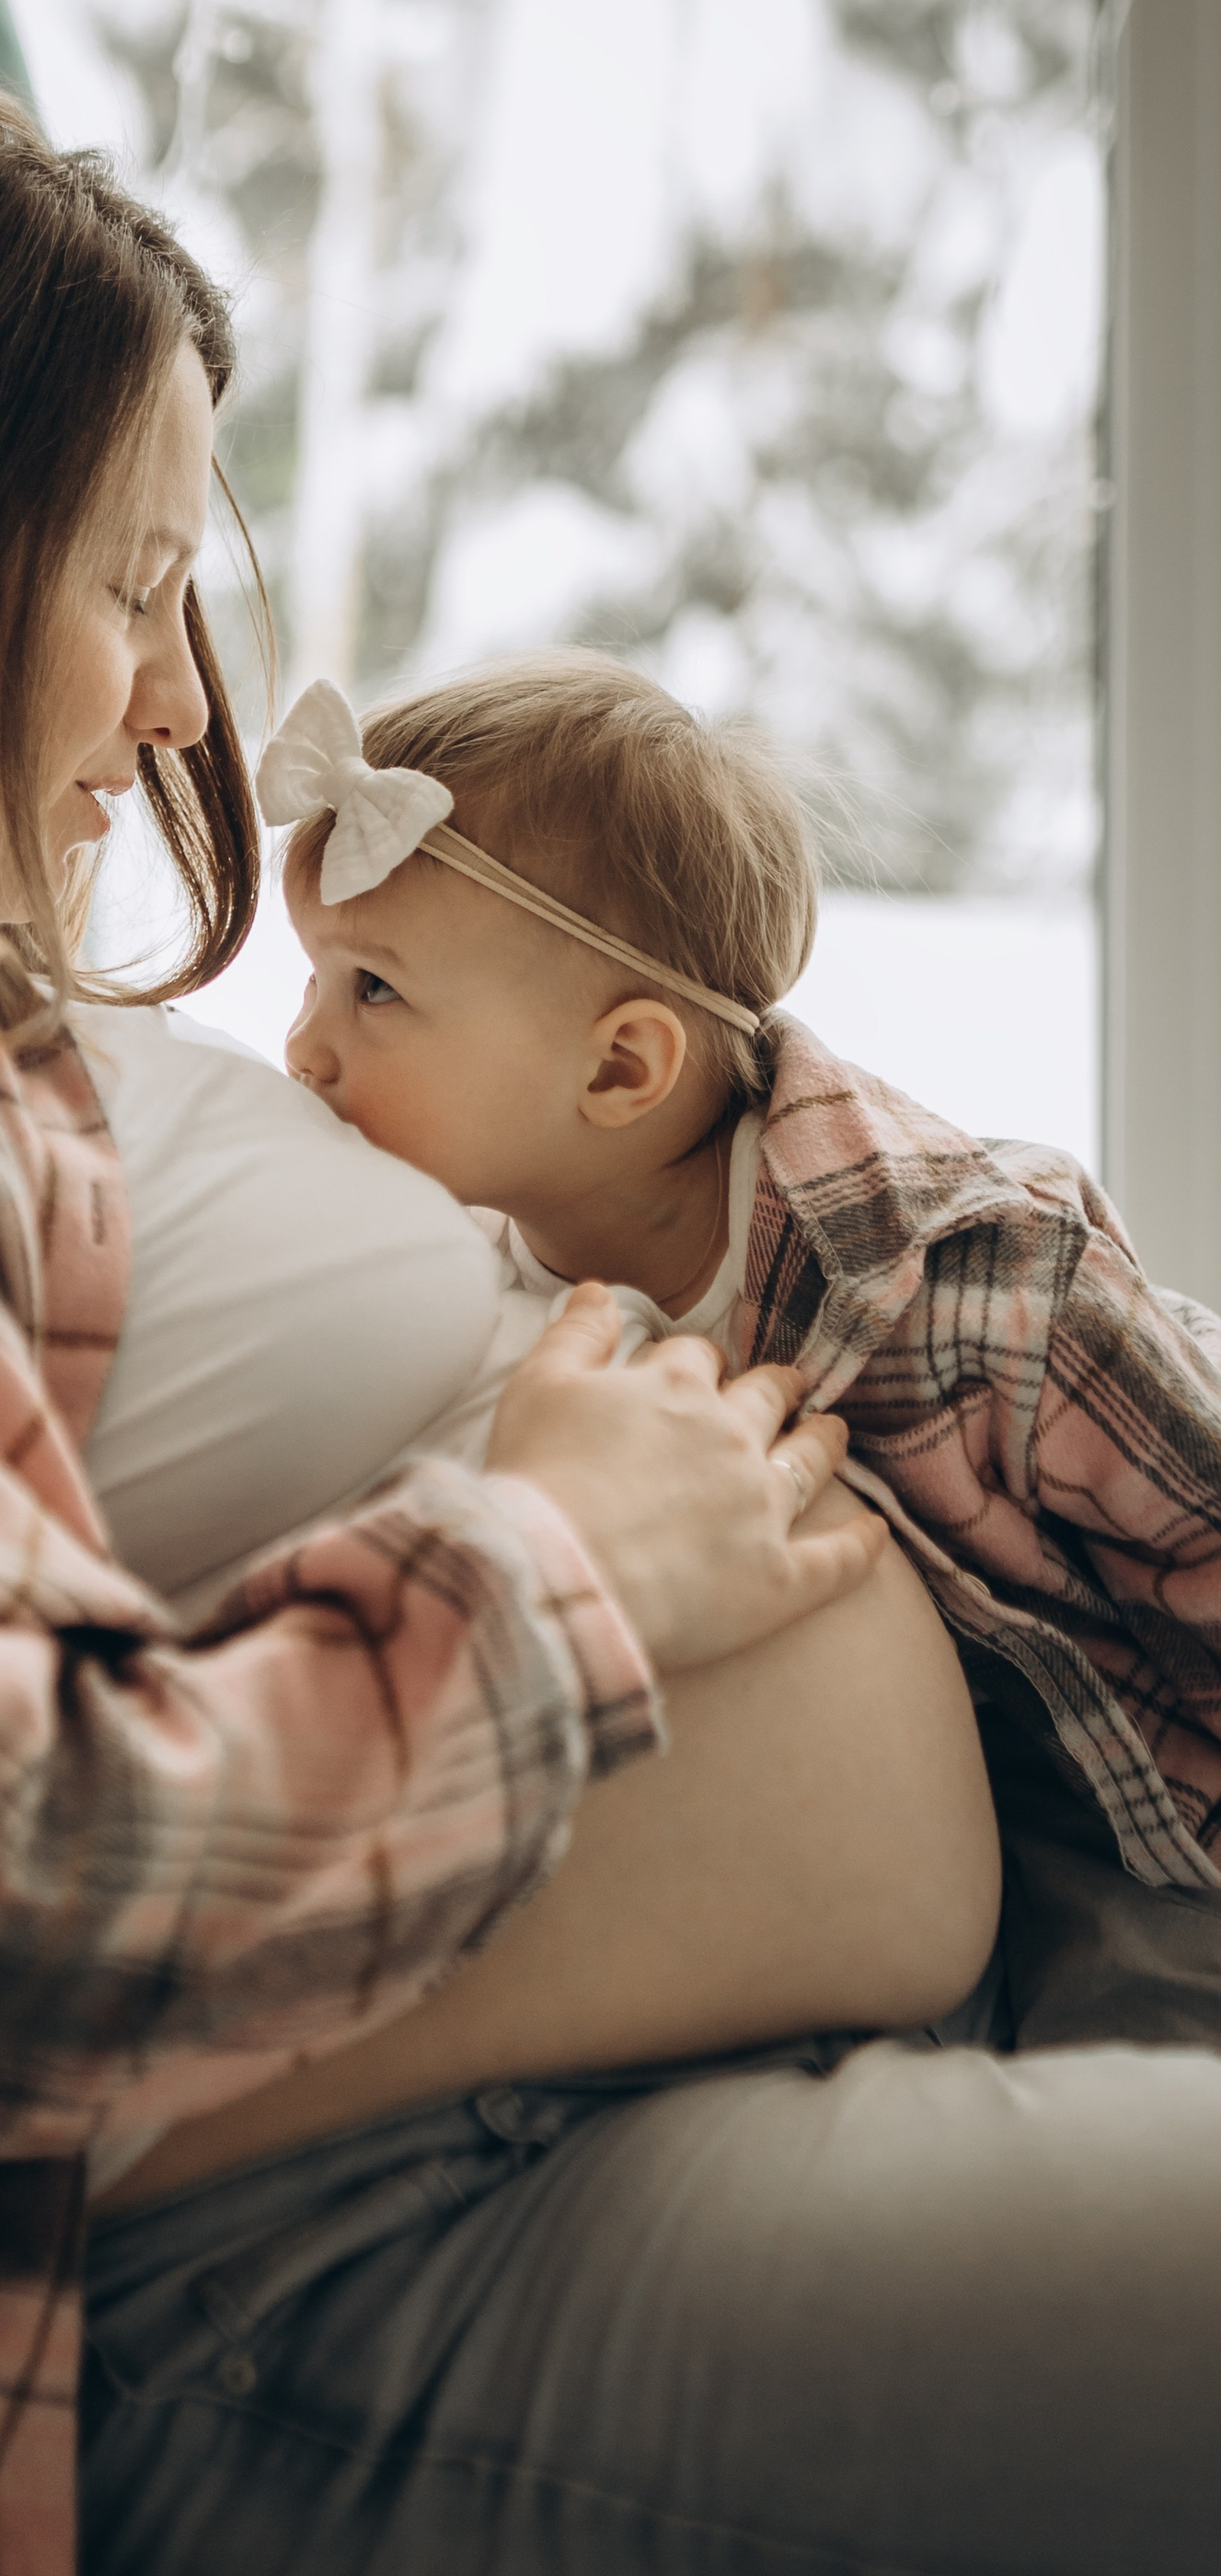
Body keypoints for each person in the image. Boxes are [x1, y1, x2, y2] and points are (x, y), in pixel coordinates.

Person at [0, 81, 1221, 2576]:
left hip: (529, 2109)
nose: (184, 712)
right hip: (281, 2274)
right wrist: (562, 1560)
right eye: (130, 586)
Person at [261, 656, 1221, 1894]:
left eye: (373, 988)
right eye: (315, 977)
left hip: (1159, 1806)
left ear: (619, 1071)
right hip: (951, 1822)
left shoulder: (989, 1288)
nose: (301, 1046)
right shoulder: (458, 1267)